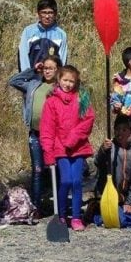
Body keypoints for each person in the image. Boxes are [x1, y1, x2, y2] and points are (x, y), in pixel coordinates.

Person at [39, 65, 95, 231]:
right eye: (65, 80)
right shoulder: (51, 102)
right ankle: (62, 215)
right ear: (59, 79)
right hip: (60, 148)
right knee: (65, 181)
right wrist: (48, 152)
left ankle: (76, 217)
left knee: (77, 182)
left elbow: (88, 120)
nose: (68, 84)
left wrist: (73, 138)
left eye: (72, 81)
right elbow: (47, 129)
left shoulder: (82, 98)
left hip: (77, 147)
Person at [7, 54, 61, 213]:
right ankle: (36, 206)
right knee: (37, 169)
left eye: (51, 68)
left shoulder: (60, 87)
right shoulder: (34, 84)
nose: (47, 71)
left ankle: (58, 204)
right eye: (45, 68)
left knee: (54, 169)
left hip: (54, 135)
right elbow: (13, 81)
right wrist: (33, 70)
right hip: (35, 134)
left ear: (58, 69)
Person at [94, 114, 131, 229]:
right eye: (117, 129)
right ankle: (97, 213)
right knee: (120, 221)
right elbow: (97, 162)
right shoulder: (109, 148)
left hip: (126, 197)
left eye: (124, 130)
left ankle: (116, 214)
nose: (120, 133)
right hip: (110, 195)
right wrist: (103, 150)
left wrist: (130, 202)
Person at [18, 0, 68, 72]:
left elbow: (62, 60)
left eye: (50, 13)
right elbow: (23, 56)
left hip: (52, 79)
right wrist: (27, 77)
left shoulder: (61, 34)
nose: (47, 16)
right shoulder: (28, 31)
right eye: (44, 12)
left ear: (55, 14)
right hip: (32, 78)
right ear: (38, 13)